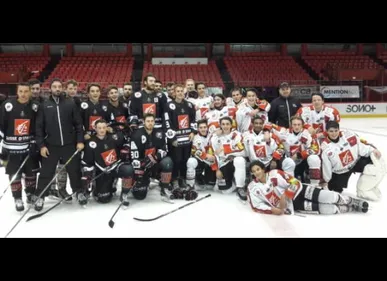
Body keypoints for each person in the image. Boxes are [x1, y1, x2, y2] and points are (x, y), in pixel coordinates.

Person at [247, 160, 369, 215]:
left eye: (258, 169)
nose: (256, 172)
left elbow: (294, 182)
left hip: (300, 191)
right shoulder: (252, 188)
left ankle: (352, 202)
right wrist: (272, 210)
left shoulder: (275, 173)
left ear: (263, 169)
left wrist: (286, 195)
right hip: (293, 205)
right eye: (254, 171)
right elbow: (256, 205)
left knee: (327, 196)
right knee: (326, 209)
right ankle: (350, 209)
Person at [34, 78, 84, 211]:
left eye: (59, 87)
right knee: (46, 172)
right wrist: (41, 146)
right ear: (50, 89)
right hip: (51, 145)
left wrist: (79, 141)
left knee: (74, 170)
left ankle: (78, 192)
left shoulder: (70, 103)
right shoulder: (44, 105)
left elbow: (78, 124)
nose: (57, 89)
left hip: (69, 144)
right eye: (54, 87)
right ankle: (40, 196)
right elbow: (38, 128)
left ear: (62, 89)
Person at [0, 83, 40, 211]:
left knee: (31, 174)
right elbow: (1, 125)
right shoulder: (8, 105)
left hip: (28, 147)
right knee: (14, 174)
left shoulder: (35, 106)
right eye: (21, 91)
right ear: (17, 92)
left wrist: (35, 141)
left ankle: (30, 194)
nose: (23, 94)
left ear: (30, 92)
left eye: (26, 91)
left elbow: (37, 126)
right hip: (11, 148)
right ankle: (17, 198)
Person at [321, 121, 385, 201]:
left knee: (374, 162)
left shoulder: (348, 135)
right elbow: (326, 165)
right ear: (327, 131)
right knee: (335, 190)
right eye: (331, 131)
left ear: (339, 129)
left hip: (356, 163)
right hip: (341, 172)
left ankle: (367, 188)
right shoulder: (325, 147)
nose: (334, 133)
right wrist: (326, 180)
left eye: (336, 130)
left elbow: (361, 147)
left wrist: (372, 150)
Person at [129, 114, 184, 203]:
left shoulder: (160, 133)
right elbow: (133, 156)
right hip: (142, 166)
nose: (150, 123)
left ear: (154, 122)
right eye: (148, 121)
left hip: (155, 163)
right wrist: (141, 165)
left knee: (167, 162)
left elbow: (164, 149)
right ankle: (144, 182)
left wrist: (154, 157)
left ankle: (164, 188)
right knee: (140, 195)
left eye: (152, 121)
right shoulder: (136, 135)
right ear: (143, 122)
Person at [81, 119, 130, 205]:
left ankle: (124, 193)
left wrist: (125, 149)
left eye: (104, 127)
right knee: (104, 198)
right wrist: (88, 177)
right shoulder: (91, 143)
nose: (102, 130)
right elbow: (87, 163)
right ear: (95, 128)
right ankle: (88, 192)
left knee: (128, 169)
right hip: (100, 171)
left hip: (114, 167)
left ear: (107, 128)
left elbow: (127, 142)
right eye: (99, 128)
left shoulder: (114, 137)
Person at [266, 116, 321, 186]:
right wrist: (267, 133)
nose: (297, 127)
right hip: (289, 160)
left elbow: (316, 149)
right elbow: (268, 124)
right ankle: (291, 185)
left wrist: (299, 155)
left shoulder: (308, 133)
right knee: (289, 162)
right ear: (291, 125)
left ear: (302, 125)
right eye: (294, 124)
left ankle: (315, 185)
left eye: (299, 124)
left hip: (303, 161)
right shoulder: (284, 132)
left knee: (314, 158)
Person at [164, 84, 197, 189]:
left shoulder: (190, 105)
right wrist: (172, 138)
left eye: (181, 91)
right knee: (176, 160)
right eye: (177, 91)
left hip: (187, 138)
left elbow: (193, 120)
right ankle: (174, 179)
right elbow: (167, 122)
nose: (180, 93)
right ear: (174, 93)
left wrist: (193, 132)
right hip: (175, 139)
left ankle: (182, 178)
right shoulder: (169, 105)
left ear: (184, 93)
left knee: (185, 160)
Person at [209, 116, 246, 194]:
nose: (225, 126)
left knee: (240, 160)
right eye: (223, 124)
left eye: (227, 124)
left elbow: (242, 150)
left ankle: (240, 186)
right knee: (225, 190)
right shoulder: (215, 137)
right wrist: (216, 169)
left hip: (232, 161)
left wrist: (224, 149)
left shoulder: (236, 135)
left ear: (231, 125)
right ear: (220, 125)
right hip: (221, 163)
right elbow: (212, 154)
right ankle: (231, 182)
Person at [186, 119, 217, 191]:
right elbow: (194, 151)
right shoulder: (195, 137)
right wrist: (206, 155)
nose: (203, 129)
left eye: (204, 127)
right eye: (201, 128)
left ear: (207, 127)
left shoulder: (213, 135)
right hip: (200, 161)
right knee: (191, 161)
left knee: (210, 186)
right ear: (197, 129)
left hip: (212, 162)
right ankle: (190, 185)